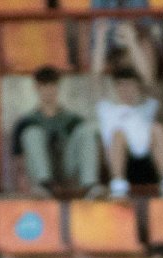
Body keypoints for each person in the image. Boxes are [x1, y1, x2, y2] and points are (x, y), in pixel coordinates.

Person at [92, 25, 163, 199]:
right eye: (122, 86)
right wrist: (101, 39)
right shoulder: (107, 109)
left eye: (131, 85)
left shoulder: (146, 107)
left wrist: (132, 43)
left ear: (137, 87)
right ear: (116, 88)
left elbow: (148, 78)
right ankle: (118, 186)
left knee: (157, 129)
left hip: (147, 163)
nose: (127, 90)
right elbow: (96, 77)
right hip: (121, 164)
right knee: (118, 134)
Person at [12, 66, 103, 198]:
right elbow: (19, 160)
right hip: (38, 175)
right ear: (36, 88)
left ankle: (90, 185)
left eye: (52, 85)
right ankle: (44, 185)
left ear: (58, 87)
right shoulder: (25, 122)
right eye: (44, 86)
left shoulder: (73, 120)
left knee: (87, 130)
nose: (48, 91)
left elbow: (88, 148)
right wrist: (23, 185)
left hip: (67, 169)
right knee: (32, 133)